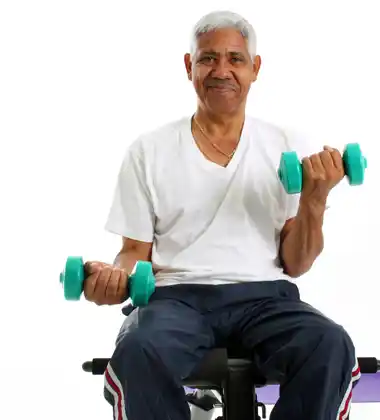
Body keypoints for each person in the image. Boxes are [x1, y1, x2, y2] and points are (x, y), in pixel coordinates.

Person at [83, 10, 360, 420]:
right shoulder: (149, 150)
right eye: (209, 58)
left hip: (266, 297)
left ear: (255, 69)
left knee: (330, 344)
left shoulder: (287, 145)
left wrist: (314, 199)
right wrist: (112, 279)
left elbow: (296, 264)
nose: (222, 70)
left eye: (235, 59)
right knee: (139, 348)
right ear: (189, 66)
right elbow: (133, 252)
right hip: (176, 299)